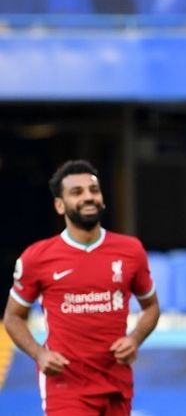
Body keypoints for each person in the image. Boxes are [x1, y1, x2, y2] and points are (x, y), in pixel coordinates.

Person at [2, 160, 161, 415]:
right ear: (59, 205)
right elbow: (12, 316)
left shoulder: (131, 251)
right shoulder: (37, 257)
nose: (88, 197)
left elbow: (151, 306)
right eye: (77, 192)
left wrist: (134, 339)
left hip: (116, 381)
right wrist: (39, 354)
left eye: (93, 190)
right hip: (66, 384)